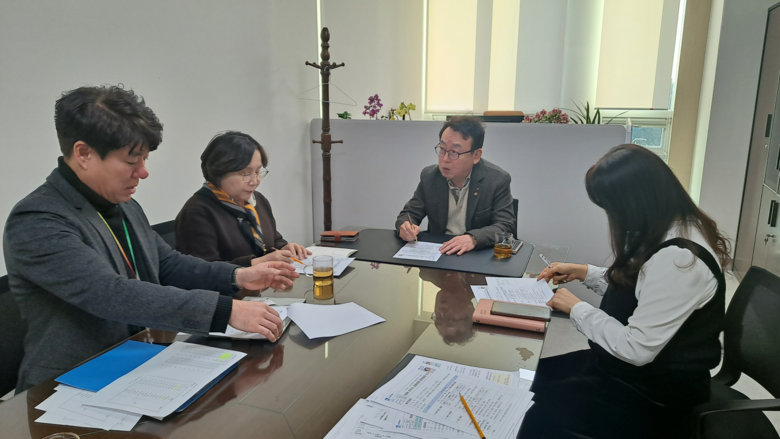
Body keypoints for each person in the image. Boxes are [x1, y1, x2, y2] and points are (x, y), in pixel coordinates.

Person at [3, 85, 299, 392]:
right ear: (84, 153)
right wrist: (226, 310)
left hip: (141, 361)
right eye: (132, 161)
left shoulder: (124, 205)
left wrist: (238, 275)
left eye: (144, 159)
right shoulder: (38, 219)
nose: (143, 172)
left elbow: (167, 263)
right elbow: (109, 293)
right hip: (70, 382)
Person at [517, 144, 731, 439]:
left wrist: (576, 308)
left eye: (611, 207)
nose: (612, 217)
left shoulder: (680, 259)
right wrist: (586, 273)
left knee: (533, 412)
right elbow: (645, 294)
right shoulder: (672, 228)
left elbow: (636, 349)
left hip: (654, 394)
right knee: (529, 377)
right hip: (625, 371)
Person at [175, 131, 310, 267]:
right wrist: (259, 262)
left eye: (257, 172)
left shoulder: (258, 200)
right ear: (219, 172)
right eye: (245, 174)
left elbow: (272, 242)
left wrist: (285, 248)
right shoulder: (197, 212)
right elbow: (202, 270)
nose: (254, 181)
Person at [395, 116, 515, 255]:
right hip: (439, 253)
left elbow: (505, 225)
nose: (445, 159)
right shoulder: (430, 177)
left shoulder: (496, 180)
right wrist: (405, 227)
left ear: (476, 155)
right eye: (442, 149)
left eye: (454, 152)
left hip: (476, 255)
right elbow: (409, 214)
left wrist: (473, 238)